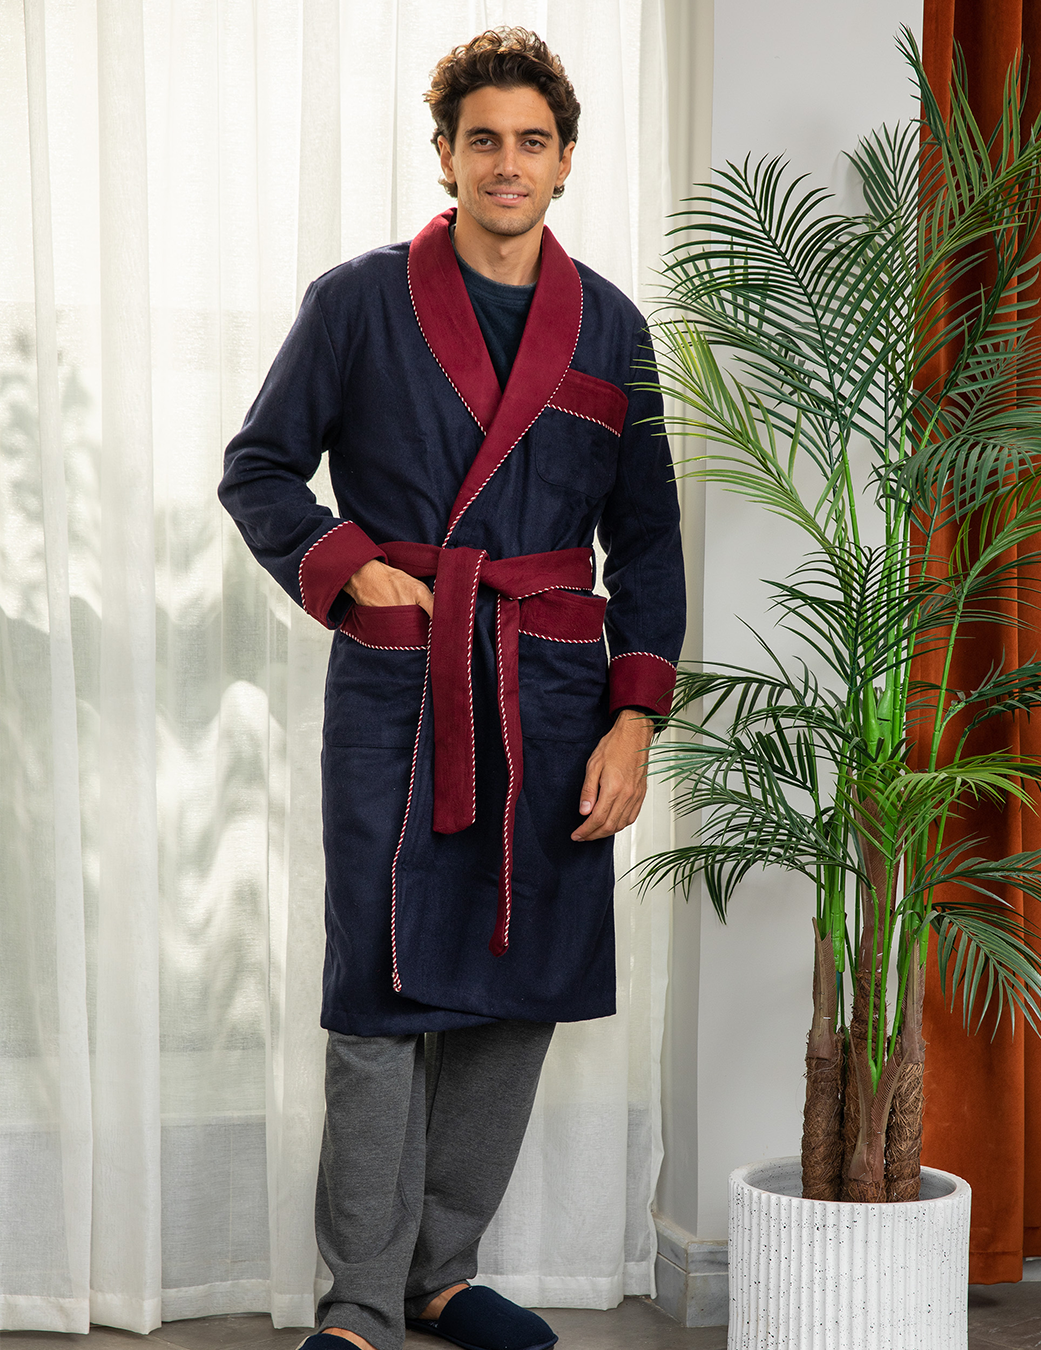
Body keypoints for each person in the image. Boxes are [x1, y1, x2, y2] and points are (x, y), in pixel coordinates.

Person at [219, 27, 684, 1350]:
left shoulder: (612, 328)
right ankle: (360, 1302)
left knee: (518, 984)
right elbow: (260, 468)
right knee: (377, 988)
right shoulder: (357, 303)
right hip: (401, 684)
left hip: (553, 689)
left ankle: (442, 1271)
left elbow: (647, 541)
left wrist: (634, 717)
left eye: (533, 141)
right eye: (484, 139)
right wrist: (350, 570)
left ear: (567, 160)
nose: (507, 163)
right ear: (445, 155)